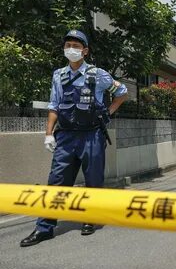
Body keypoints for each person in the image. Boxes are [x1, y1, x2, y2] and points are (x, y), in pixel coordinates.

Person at [20, 30, 128, 247]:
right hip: (67, 136)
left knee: (93, 180)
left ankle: (90, 218)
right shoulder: (58, 75)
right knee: (56, 181)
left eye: (76, 46)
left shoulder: (98, 74)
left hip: (92, 135)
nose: (71, 49)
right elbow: (54, 106)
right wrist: (48, 134)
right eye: (68, 44)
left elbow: (122, 91)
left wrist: (107, 113)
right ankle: (44, 227)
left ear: (85, 51)